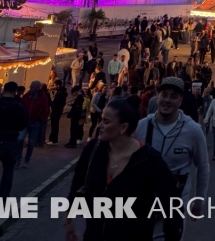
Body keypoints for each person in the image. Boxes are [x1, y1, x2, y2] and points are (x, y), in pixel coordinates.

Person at [64, 97, 181, 241]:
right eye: (101, 120)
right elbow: (78, 183)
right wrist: (68, 219)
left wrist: (171, 235)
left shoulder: (149, 159)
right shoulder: (94, 149)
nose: (99, 125)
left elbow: (171, 201)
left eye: (106, 121)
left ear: (123, 127)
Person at [140, 77, 210, 229]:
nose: (167, 100)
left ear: (180, 101)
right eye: (164, 95)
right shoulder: (142, 126)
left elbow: (203, 167)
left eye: (173, 96)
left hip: (175, 205)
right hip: (144, 203)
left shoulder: (193, 131)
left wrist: (199, 201)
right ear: (157, 97)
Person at [0, 82, 29, 199]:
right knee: (8, 171)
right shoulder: (19, 108)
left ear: (3, 90)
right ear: (15, 92)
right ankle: (3, 198)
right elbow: (23, 125)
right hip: (10, 141)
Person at [18, 80, 50, 168]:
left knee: (31, 142)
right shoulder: (27, 96)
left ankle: (26, 160)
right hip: (25, 122)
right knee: (20, 139)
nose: (30, 88)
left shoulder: (42, 97)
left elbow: (45, 109)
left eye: (32, 87)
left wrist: (40, 118)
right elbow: (22, 106)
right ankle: (18, 158)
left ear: (37, 88)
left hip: (35, 122)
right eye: (31, 86)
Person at [49, 79, 68, 144]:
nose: (54, 86)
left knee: (54, 125)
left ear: (58, 85)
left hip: (56, 111)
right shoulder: (61, 92)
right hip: (58, 110)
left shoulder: (60, 93)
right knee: (54, 125)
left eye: (55, 85)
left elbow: (57, 102)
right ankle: (52, 139)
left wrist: (53, 105)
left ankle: (54, 140)